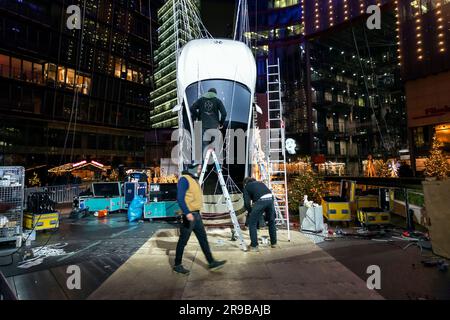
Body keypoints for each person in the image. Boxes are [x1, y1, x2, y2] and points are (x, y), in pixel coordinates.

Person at [173, 162, 227, 275]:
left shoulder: (194, 180)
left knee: (203, 238)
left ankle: (211, 261)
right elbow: (180, 198)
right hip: (189, 215)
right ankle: (177, 265)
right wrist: (187, 213)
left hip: (196, 215)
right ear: (192, 168)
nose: (199, 170)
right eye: (198, 168)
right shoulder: (184, 179)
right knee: (183, 241)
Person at [242, 177, 277, 252]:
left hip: (261, 201)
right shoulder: (261, 183)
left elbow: (246, 203)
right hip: (270, 199)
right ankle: (274, 243)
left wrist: (250, 211)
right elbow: (269, 194)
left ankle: (254, 246)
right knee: (271, 221)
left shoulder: (247, 186)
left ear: (245, 183)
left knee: (252, 223)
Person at [190, 88, 227, 155]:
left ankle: (204, 164)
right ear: (215, 94)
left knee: (204, 147)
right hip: (214, 127)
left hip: (203, 127)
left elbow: (192, 108)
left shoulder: (201, 100)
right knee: (216, 147)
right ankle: (216, 164)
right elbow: (224, 113)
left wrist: (198, 115)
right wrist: (221, 123)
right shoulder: (217, 101)